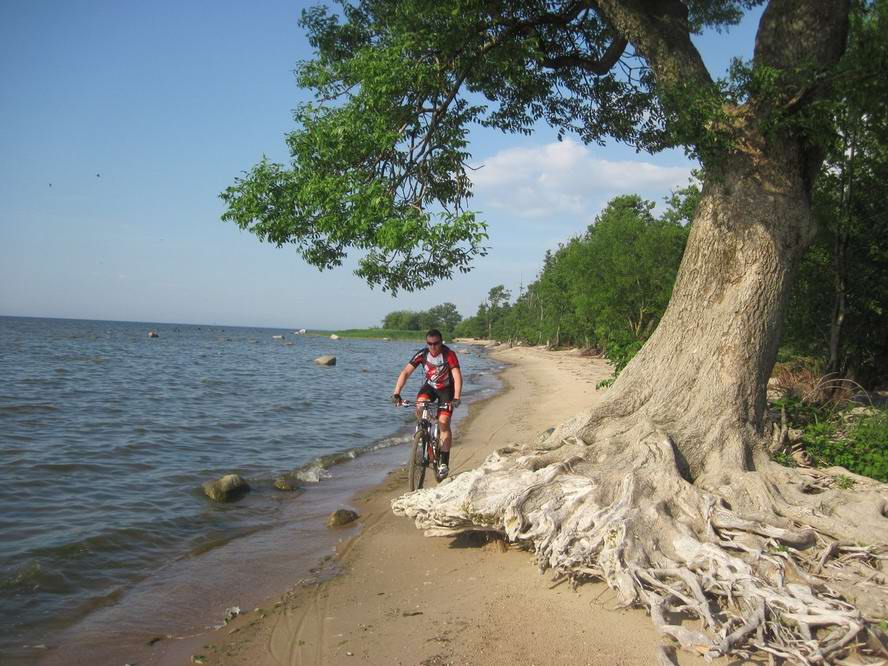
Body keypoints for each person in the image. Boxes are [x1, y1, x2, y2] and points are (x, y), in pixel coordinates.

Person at [391, 329, 462, 479]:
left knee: (443, 422)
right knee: (420, 404)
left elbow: (456, 375)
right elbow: (405, 372)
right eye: (429, 344)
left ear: (441, 342)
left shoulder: (449, 354)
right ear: (426, 343)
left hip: (446, 390)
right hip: (430, 387)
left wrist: (456, 397)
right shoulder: (422, 354)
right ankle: (423, 432)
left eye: (436, 343)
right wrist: (396, 393)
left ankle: (443, 462)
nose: (433, 347)